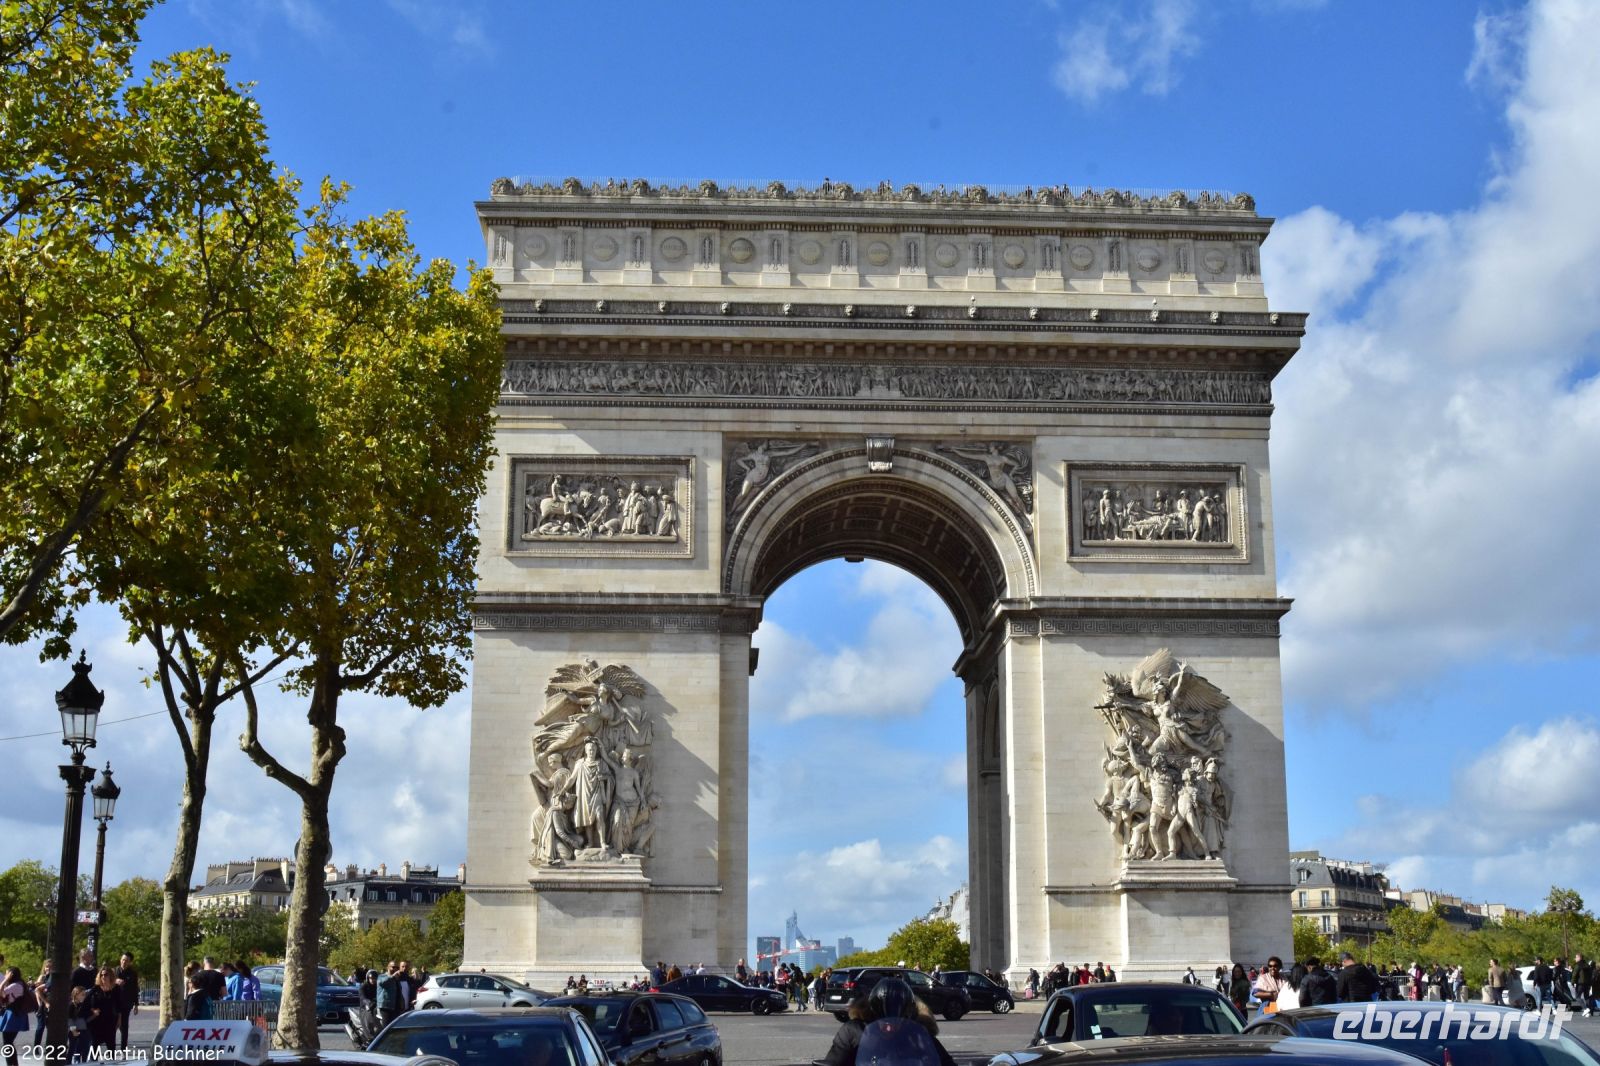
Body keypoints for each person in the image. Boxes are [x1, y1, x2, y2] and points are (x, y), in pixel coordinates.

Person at [821, 977, 956, 1066]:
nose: (890, 1027)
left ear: (908, 1013)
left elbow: (946, 1062)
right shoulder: (853, 1031)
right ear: (872, 1012)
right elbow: (833, 1062)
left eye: (897, 1021)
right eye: (883, 1021)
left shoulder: (919, 1034)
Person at [83, 967, 119, 1056]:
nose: (103, 976)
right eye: (101, 975)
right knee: (94, 1048)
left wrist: (119, 1021)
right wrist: (92, 1011)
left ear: (110, 976)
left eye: (106, 974)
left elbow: (119, 1006)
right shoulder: (96, 988)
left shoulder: (116, 989)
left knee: (111, 1049)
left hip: (110, 1021)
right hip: (96, 1022)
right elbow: (85, 1003)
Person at [1, 966, 31, 1066]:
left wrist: (5, 979)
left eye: (7, 973)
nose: (5, 975)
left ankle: (11, 1064)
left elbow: (1, 991)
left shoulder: (16, 985)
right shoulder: (18, 984)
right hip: (13, 1014)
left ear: (11, 975)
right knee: (8, 1042)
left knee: (7, 1042)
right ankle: (13, 1063)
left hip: (14, 1015)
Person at [114, 954, 139, 1050]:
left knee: (124, 1027)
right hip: (114, 1003)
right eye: (123, 960)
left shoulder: (133, 973)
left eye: (126, 961)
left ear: (130, 962)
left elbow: (135, 989)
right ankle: (110, 1049)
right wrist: (115, 981)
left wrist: (136, 1005)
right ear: (120, 960)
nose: (124, 962)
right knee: (112, 1026)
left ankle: (123, 1049)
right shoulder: (114, 971)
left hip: (126, 1003)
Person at [31, 961, 52, 1047]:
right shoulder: (43, 977)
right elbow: (37, 991)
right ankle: (36, 1046)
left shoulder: (51, 977)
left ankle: (49, 1046)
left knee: (49, 1026)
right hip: (42, 1004)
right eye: (47, 967)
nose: (49, 969)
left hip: (47, 1003)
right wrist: (40, 1004)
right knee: (41, 1026)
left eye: (51, 967)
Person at [376, 962, 402, 1029]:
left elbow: (399, 991)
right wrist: (392, 976)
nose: (395, 969)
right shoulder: (382, 976)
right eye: (393, 967)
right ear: (388, 967)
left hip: (395, 1006)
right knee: (386, 1027)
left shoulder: (396, 979)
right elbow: (382, 983)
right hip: (385, 1006)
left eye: (396, 967)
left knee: (394, 1027)